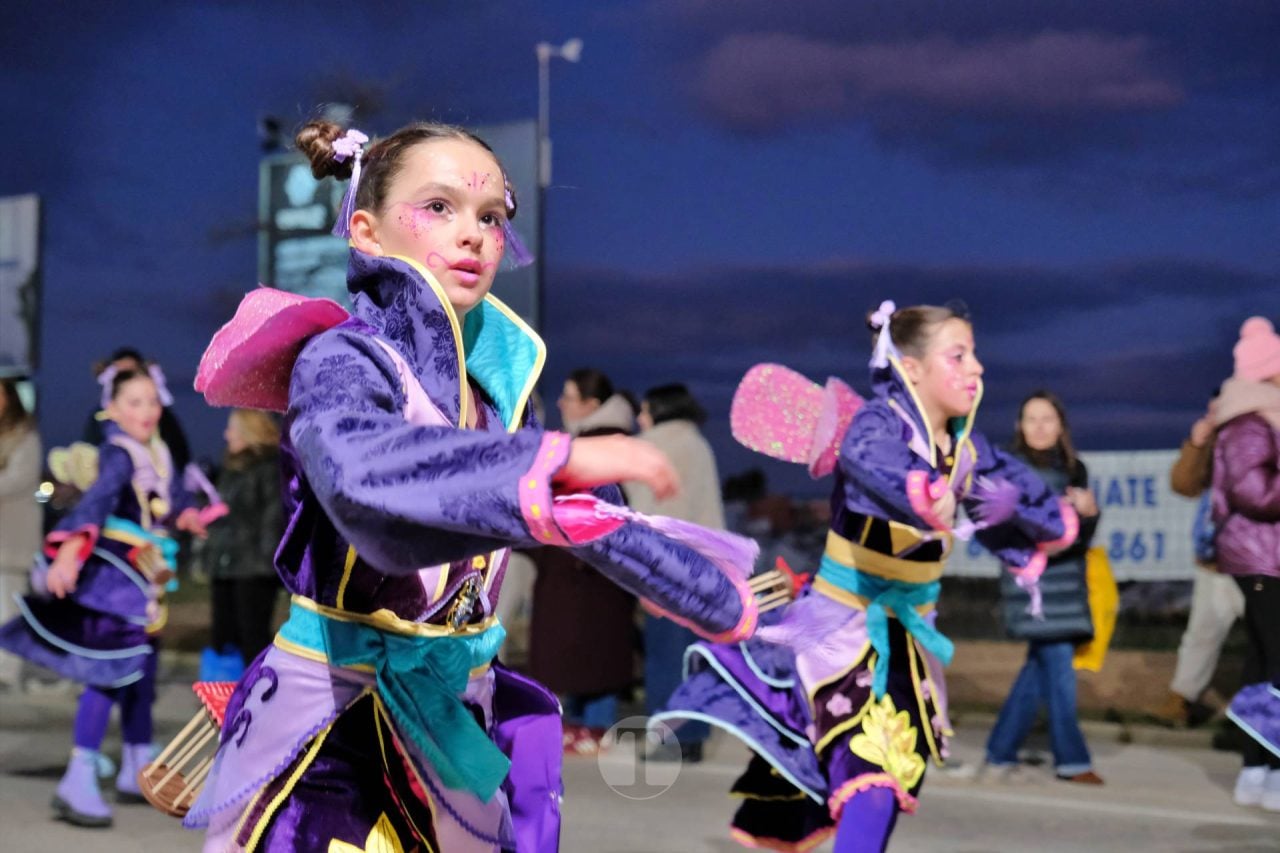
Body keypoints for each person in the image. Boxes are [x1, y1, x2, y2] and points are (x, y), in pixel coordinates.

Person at [182, 118, 757, 852]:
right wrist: (542, 466)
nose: (473, 234)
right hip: (331, 723)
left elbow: (595, 521)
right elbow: (362, 480)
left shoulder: (495, 395)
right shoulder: (341, 360)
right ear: (366, 231)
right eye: (440, 207)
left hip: (454, 720)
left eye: (489, 216)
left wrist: (732, 610)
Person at [655, 301, 1076, 852]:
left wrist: (1035, 513)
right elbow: (872, 465)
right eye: (959, 355)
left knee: (892, 782)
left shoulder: (966, 452)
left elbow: (1038, 503)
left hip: (907, 648)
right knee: (869, 785)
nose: (977, 368)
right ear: (914, 367)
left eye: (975, 354)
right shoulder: (876, 427)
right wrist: (927, 494)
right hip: (840, 638)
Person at [0, 369, 209, 828]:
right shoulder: (118, 453)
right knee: (108, 671)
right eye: (134, 402)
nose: (146, 411)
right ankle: (78, 776)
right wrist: (69, 555)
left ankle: (138, 766)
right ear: (112, 409)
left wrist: (189, 514)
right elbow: (95, 504)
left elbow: (170, 499)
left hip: (146, 578)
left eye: (152, 401)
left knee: (141, 671)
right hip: (114, 575)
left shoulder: (160, 453)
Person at [984, 391, 1103, 784]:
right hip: (1031, 580)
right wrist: (1052, 530)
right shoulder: (1006, 469)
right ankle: (1072, 760)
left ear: (1061, 426)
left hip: (1068, 581)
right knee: (1058, 669)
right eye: (1031, 418)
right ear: (1019, 425)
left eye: (1047, 418)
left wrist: (1088, 516)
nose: (1039, 426)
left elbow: (1082, 540)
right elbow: (1003, 528)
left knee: (1038, 669)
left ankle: (1000, 751)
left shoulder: (1075, 469)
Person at [527, 369, 638, 757]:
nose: (561, 403)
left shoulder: (593, 447)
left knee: (586, 654)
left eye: (569, 397)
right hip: (588, 576)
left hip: (584, 574)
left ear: (591, 406)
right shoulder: (601, 443)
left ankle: (593, 726)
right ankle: (584, 724)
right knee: (588, 657)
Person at [626, 383, 725, 763]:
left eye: (646, 408)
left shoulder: (650, 447)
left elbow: (642, 515)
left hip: (664, 564)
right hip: (703, 565)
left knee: (665, 654)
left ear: (661, 410)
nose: (640, 417)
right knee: (693, 655)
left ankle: (666, 738)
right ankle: (694, 736)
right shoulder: (699, 445)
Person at [1211, 316, 1280, 811]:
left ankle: (1257, 771)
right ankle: (1271, 771)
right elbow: (1251, 491)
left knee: (1262, 664)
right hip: (1261, 556)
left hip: (1261, 555)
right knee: (1275, 665)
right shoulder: (1250, 421)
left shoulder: (1259, 416)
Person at [1152, 392, 1244, 727]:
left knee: (1269, 646)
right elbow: (1182, 484)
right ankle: (1182, 700)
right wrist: (1196, 442)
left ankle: (1260, 727)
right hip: (1214, 562)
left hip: (1263, 564)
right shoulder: (1212, 443)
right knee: (1201, 635)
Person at [201, 409, 285, 679]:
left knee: (253, 638)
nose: (227, 435)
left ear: (250, 431)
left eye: (232, 429)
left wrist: (268, 566)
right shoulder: (231, 466)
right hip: (226, 565)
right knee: (224, 638)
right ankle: (225, 697)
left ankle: (256, 697)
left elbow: (273, 518)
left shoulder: (270, 467)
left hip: (253, 569)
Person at [82, 347, 192, 473]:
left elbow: (179, 452)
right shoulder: (99, 416)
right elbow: (90, 450)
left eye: (131, 372)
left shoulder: (162, 416)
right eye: (121, 374)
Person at [0, 378, 42, 691]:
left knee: (9, 608)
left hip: (12, 538)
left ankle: (8, 672)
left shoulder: (25, 437)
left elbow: (17, 480)